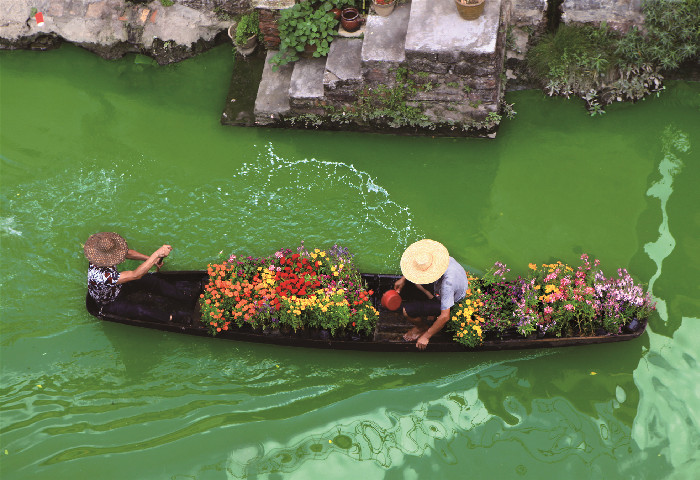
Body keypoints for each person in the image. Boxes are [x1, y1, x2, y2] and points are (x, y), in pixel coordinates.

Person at [84, 232, 189, 323]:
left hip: (118, 286)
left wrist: (151, 260)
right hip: (109, 301)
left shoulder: (99, 253)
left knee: (152, 281)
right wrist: (156, 255)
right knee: (140, 311)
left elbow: (128, 253)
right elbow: (136, 275)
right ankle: (171, 318)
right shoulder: (100, 276)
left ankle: (184, 296)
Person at [394, 239, 468, 351]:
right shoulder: (438, 258)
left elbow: (445, 316)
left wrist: (426, 336)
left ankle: (421, 327)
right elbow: (416, 268)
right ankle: (430, 299)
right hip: (439, 289)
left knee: (407, 310)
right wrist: (403, 279)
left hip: (450, 297)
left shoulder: (448, 284)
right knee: (415, 281)